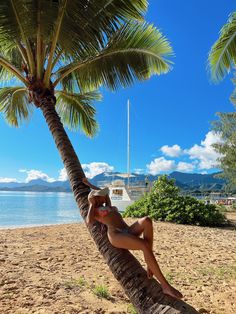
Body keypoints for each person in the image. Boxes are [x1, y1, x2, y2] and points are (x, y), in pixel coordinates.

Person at [82, 177, 183, 299]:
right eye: (101, 195)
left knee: (146, 221)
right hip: (116, 235)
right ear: (97, 199)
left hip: (127, 230)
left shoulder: (106, 203)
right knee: (143, 245)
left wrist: (90, 184)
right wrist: (92, 203)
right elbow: (88, 221)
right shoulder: (96, 210)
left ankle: (149, 262)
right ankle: (165, 286)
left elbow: (103, 192)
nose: (105, 195)